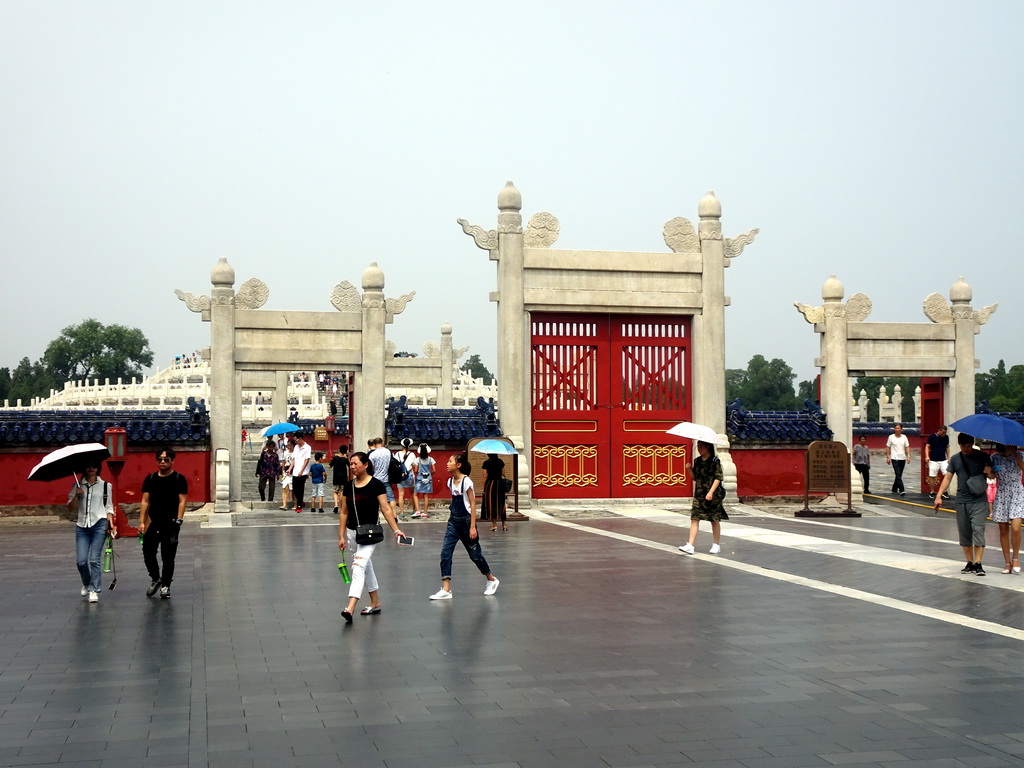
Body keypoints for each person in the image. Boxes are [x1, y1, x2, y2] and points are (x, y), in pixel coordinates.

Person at [337, 452, 405, 623]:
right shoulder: (348, 486)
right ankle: (375, 601)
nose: (352, 467)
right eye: (350, 464)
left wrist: (396, 530)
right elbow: (344, 512)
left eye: (355, 463)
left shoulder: (377, 485)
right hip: (353, 533)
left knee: (358, 566)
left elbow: (386, 509)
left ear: (366, 464)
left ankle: (350, 607)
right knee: (366, 566)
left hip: (370, 534)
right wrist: (341, 536)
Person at [429, 452, 500, 600]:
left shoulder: (466, 482)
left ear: (458, 465)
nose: (447, 463)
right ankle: (446, 589)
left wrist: (472, 526)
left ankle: (491, 579)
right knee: (445, 553)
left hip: (466, 521)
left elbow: (473, 504)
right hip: (453, 521)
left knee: (475, 555)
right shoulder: (450, 482)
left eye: (450, 461)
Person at [934, 432, 994, 575]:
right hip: (961, 500)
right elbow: (948, 478)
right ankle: (970, 562)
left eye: (968, 446)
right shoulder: (955, 459)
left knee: (978, 530)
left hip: (979, 500)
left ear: (972, 443)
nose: (965, 449)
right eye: (962, 446)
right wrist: (938, 495)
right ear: (959, 444)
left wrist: (989, 471)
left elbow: (993, 476)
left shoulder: (983, 457)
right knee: (964, 533)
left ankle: (978, 563)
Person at [139, 448, 189, 599]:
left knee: (168, 556)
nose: (162, 462)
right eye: (159, 459)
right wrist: (141, 521)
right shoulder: (151, 479)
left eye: (166, 459)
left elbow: (182, 501)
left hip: (171, 522)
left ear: (172, 461)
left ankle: (166, 585)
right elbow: (144, 501)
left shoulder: (179, 479)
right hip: (153, 521)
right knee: (148, 552)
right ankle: (155, 578)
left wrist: (179, 520)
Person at [67, 462, 115, 603]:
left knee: (94, 559)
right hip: (82, 526)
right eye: (88, 465)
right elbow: (70, 508)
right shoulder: (77, 485)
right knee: (81, 561)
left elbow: (109, 507)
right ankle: (87, 583)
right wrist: (76, 495)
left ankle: (94, 590)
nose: (91, 468)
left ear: (98, 468)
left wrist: (111, 523)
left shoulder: (106, 486)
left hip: (99, 524)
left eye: (94, 465)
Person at [678, 440, 726, 555]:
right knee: (695, 518)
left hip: (713, 495)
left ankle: (716, 544)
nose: (699, 449)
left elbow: (718, 478)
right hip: (699, 494)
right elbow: (695, 477)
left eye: (701, 446)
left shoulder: (715, 461)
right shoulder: (697, 461)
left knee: (714, 519)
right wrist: (689, 470)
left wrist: (710, 492)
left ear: (708, 447)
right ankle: (690, 545)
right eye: (698, 446)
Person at [991, 443, 1024, 574]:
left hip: (1017, 491)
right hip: (1002, 491)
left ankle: (1015, 558)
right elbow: (992, 476)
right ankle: (1007, 562)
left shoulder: (1020, 455)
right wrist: (988, 472)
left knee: (1016, 528)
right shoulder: (994, 457)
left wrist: (1015, 456)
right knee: (1003, 529)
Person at [368, 437, 397, 516]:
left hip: (376, 479)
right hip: (387, 478)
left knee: (375, 499)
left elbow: (371, 467)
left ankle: (375, 515)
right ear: (382, 443)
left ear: (374, 444)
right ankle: (394, 515)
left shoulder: (372, 454)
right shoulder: (388, 452)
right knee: (391, 498)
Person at [481, 453, 507, 531]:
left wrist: (483, 487)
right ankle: (504, 525)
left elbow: (484, 476)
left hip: (491, 484)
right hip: (500, 484)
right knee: (502, 503)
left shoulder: (486, 463)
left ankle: (494, 525)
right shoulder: (500, 462)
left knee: (491, 503)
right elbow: (503, 473)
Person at [925, 425, 950, 499]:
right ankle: (932, 491)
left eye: (945, 433)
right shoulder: (932, 437)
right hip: (933, 460)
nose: (944, 434)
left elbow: (947, 447)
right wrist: (927, 456)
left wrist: (948, 457)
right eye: (942, 433)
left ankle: (944, 491)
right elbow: (927, 446)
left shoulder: (946, 437)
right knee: (932, 476)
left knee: (947, 474)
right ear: (939, 431)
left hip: (943, 459)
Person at [394, 438, 417, 520]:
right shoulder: (412, 454)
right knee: (412, 493)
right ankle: (414, 509)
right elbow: (414, 465)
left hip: (400, 475)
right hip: (409, 474)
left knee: (401, 494)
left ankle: (402, 512)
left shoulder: (397, 454)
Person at [885, 423, 911, 496]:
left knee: (899, 475)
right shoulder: (891, 437)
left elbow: (907, 447)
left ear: (901, 429)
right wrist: (888, 457)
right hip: (894, 458)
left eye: (898, 428)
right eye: (896, 428)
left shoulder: (904, 437)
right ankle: (902, 489)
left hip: (902, 458)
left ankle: (894, 489)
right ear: (894, 429)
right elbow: (888, 447)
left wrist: (908, 456)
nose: (897, 429)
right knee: (898, 473)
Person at [411, 443, 435, 518]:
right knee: (426, 496)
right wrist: (429, 474)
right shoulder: (431, 459)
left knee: (415, 494)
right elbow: (434, 470)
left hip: (420, 479)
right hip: (428, 479)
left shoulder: (418, 459)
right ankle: (425, 513)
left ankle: (418, 511)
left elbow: (415, 470)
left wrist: (419, 473)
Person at [290, 432, 312, 512]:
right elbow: (294, 459)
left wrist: (302, 470)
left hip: (303, 471)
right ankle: (301, 501)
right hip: (295, 470)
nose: (295, 442)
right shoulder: (296, 447)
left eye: (296, 440)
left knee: (300, 488)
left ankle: (299, 505)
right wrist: (290, 468)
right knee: (295, 488)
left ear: (300, 439)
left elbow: (307, 460)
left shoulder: (307, 447)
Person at [329, 443, 350, 515]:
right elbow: (349, 465)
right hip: (343, 477)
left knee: (335, 491)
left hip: (336, 477)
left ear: (339, 450)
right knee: (342, 492)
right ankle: (341, 507)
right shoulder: (345, 459)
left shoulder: (335, 458)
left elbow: (329, 466)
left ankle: (336, 505)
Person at [279, 440, 294, 510]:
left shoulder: (295, 453)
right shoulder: (285, 453)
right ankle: (284, 504)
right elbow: (284, 462)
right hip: (286, 471)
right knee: (285, 488)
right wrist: (282, 471)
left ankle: (296, 504)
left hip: (294, 472)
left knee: (293, 489)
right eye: (288, 445)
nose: (289, 447)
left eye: (290, 445)